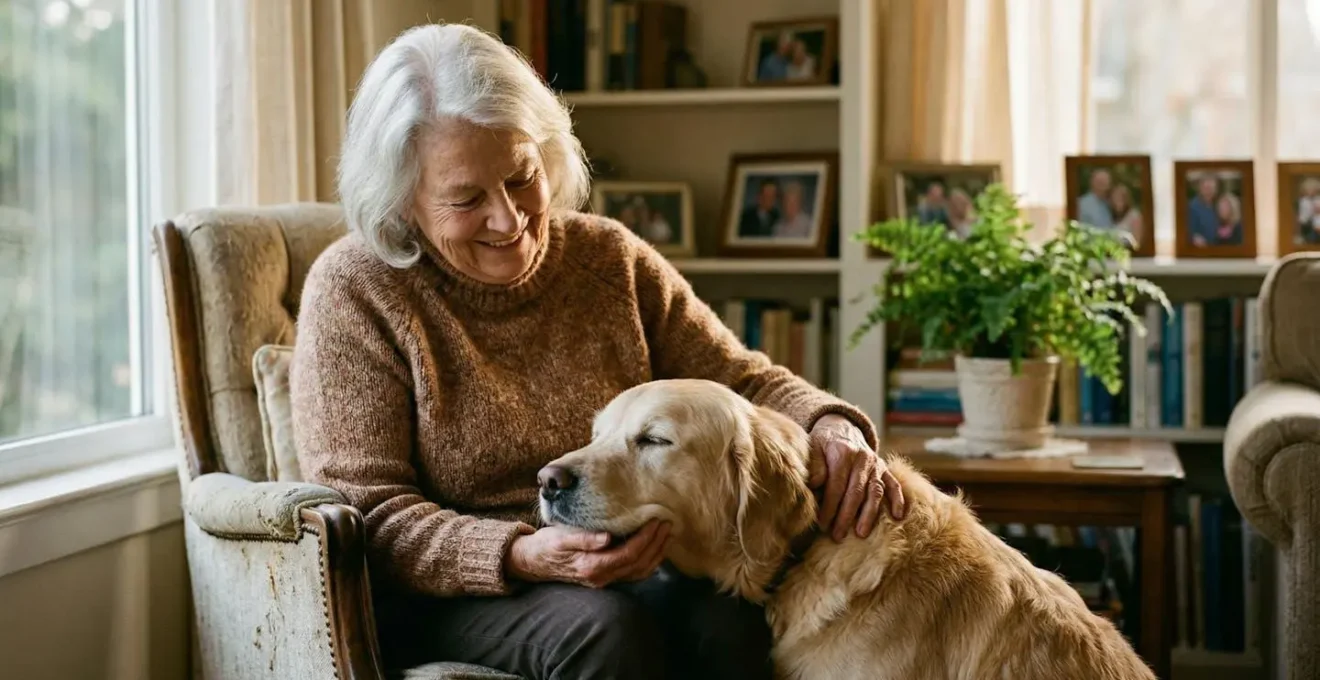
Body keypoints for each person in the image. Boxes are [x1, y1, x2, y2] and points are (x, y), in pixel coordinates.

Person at [290, 23, 905, 680]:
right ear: (403, 200)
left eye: (522, 177)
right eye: (467, 199)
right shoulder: (358, 290)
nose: (509, 218)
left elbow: (737, 382)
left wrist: (829, 422)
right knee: (604, 632)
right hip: (447, 593)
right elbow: (369, 513)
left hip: (623, 570)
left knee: (733, 619)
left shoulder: (607, 260)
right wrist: (520, 553)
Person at [1188, 175, 1219, 247]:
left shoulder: (1217, 205)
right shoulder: (1191, 207)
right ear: (1200, 188)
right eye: (1206, 188)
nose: (1209, 191)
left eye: (1211, 188)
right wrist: (1194, 237)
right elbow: (1188, 231)